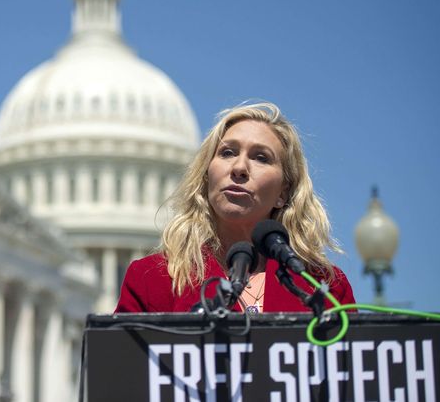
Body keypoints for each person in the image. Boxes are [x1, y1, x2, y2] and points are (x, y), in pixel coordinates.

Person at [115, 102, 355, 313]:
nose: (239, 167)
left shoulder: (324, 286)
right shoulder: (152, 278)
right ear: (207, 177)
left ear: (283, 192)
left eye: (261, 157)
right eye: (227, 152)